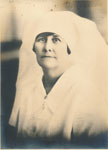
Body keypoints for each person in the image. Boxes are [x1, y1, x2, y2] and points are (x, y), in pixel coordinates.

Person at [8, 11, 108, 148]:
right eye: (41, 39)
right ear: (33, 48)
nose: (47, 48)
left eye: (56, 40)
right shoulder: (27, 91)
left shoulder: (85, 95)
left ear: (69, 49)